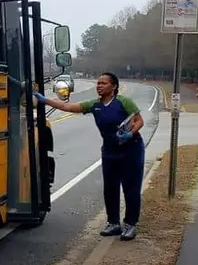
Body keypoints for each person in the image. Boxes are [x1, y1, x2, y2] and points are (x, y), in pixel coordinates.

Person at [36, 72, 145, 240]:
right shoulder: (94, 105)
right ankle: (113, 223)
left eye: (103, 83)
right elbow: (68, 107)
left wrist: (130, 134)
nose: (99, 86)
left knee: (131, 189)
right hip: (109, 151)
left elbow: (139, 120)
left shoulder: (123, 102)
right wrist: (45, 100)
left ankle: (130, 224)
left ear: (113, 86)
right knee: (110, 188)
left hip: (131, 150)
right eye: (98, 83)